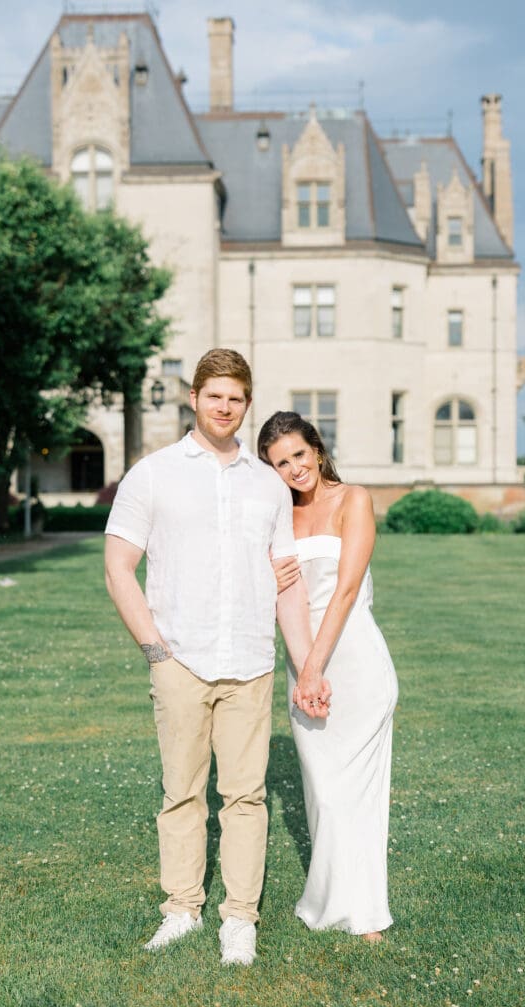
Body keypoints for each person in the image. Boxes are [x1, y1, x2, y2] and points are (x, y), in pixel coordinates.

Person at [104, 351, 330, 967]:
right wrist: (154, 649)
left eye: (235, 398)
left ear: (245, 404)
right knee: (181, 794)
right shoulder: (152, 475)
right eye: (213, 396)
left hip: (250, 661)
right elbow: (118, 566)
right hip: (180, 658)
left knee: (246, 797)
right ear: (194, 399)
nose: (224, 407)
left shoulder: (268, 484)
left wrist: (307, 664)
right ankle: (181, 909)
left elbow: (288, 583)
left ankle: (240, 918)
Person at [258, 410, 398, 940]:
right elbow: (274, 595)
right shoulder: (280, 519)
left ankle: (364, 915)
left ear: (316, 449)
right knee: (323, 791)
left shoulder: (353, 499)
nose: (293, 469)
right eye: (279, 464)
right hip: (303, 664)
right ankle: (327, 901)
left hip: (354, 661)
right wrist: (303, 668)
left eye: (297, 454)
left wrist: (314, 669)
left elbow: (344, 591)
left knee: (357, 794)